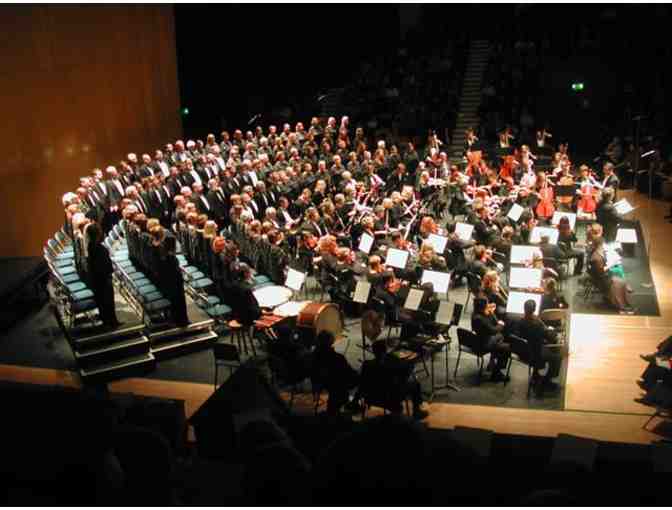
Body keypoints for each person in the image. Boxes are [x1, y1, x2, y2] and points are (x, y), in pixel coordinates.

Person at [360, 339, 429, 420]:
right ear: (385, 351)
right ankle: (416, 412)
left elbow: (361, 382)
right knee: (415, 385)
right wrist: (409, 365)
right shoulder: (391, 365)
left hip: (371, 398)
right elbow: (404, 377)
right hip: (390, 399)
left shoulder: (366, 364)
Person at [517, 299, 563, 390]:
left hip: (524, 352)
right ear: (534, 309)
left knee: (539, 346)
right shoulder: (537, 324)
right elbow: (551, 338)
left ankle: (536, 375)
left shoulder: (520, 321)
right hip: (536, 354)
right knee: (557, 357)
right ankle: (546, 381)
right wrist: (551, 331)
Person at [312, 330, 360, 416]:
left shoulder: (314, 355)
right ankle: (348, 406)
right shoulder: (337, 358)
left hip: (319, 381)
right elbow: (348, 372)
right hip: (334, 384)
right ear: (331, 341)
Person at [86, 223, 120, 329]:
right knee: (107, 300)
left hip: (98, 278)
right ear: (97, 233)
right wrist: (109, 275)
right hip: (103, 278)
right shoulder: (98, 248)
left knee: (104, 300)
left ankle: (109, 321)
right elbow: (103, 264)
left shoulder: (91, 245)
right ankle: (110, 322)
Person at [471, 297, 510, 382]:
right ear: (483, 306)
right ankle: (496, 373)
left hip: (477, 341)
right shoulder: (480, 319)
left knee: (499, 340)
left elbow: (490, 325)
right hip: (483, 344)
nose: (488, 305)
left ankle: (492, 362)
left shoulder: (475, 314)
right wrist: (501, 324)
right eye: (487, 304)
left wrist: (490, 312)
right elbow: (494, 330)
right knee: (506, 347)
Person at [158, 236, 189, 327]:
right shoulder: (170, 258)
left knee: (175, 303)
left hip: (170, 283)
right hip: (176, 284)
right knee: (179, 303)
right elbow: (175, 271)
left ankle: (177, 320)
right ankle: (182, 321)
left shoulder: (164, 255)